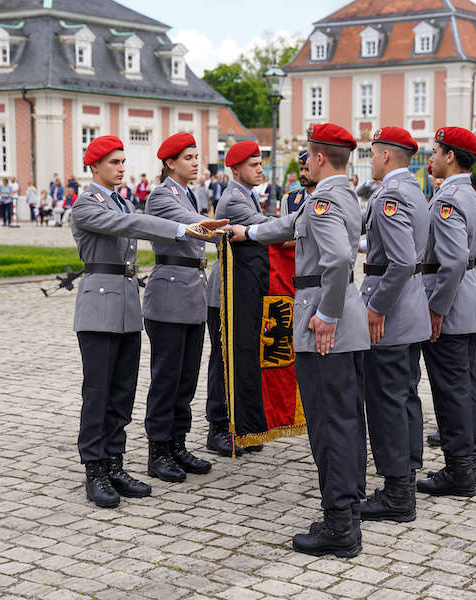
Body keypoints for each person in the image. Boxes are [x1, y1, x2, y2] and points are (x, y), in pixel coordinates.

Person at [229, 122, 369, 558]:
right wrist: (247, 232)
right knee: (344, 417)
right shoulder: (341, 192)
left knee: (328, 422)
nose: (303, 161)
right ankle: (349, 505)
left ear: (321, 157)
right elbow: (293, 224)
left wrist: (325, 314)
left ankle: (339, 525)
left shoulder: (325, 198)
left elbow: (339, 257)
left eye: (307, 154)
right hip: (345, 317)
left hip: (325, 319)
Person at [70, 134, 226, 508]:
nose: (121, 168)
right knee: (98, 394)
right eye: (113, 162)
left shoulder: (119, 199)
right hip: (98, 307)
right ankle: (95, 470)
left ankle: (115, 463)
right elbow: (131, 225)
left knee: (122, 393)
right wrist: (180, 229)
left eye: (123, 161)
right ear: (93, 167)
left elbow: (130, 221)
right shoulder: (85, 204)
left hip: (124, 305)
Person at [356, 127, 430, 524]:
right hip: (411, 309)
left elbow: (400, 261)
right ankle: (405, 481)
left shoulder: (390, 194)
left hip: (392, 314)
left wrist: (376, 308)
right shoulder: (415, 190)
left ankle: (398, 493)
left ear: (385, 155)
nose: (371, 160)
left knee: (387, 404)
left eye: (372, 153)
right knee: (404, 399)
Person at [416, 126, 476, 498]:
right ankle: (465, 464)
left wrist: (435, 309)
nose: (430, 157)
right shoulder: (471, 195)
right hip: (472, 300)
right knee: (465, 388)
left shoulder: (448, 199)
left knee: (451, 392)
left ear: (449, 156)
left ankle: (460, 470)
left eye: (435, 151)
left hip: (453, 305)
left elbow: (454, 260)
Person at [142, 133, 216, 484]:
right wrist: (231, 229)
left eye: (196, 156)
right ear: (170, 163)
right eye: (188, 157)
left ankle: (178, 443)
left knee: (186, 377)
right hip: (169, 295)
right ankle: (158, 450)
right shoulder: (161, 196)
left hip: (191, 292)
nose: (195, 162)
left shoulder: (192, 193)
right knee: (167, 376)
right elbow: (196, 227)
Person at [205, 140, 272, 457]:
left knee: (241, 357)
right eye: (253, 164)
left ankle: (240, 424)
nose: (260, 169)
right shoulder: (234, 200)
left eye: (260, 163)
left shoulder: (248, 196)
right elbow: (266, 229)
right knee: (223, 360)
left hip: (242, 289)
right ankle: (218, 427)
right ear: (235, 169)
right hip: (225, 292)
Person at [282, 150, 315, 217]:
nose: (302, 174)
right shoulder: (289, 199)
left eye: (307, 169)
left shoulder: (326, 198)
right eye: (301, 169)